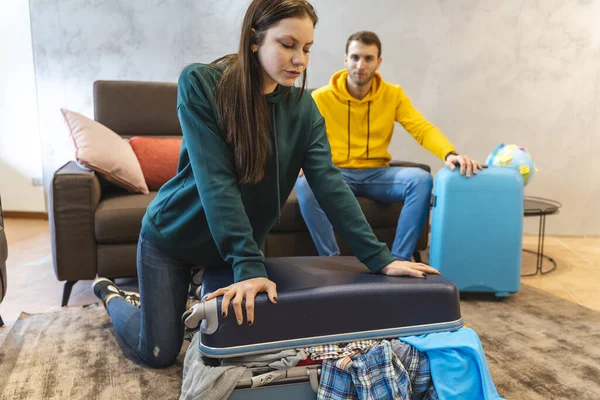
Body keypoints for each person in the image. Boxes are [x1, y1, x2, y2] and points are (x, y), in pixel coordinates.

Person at [92, 1, 439, 369]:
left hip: (233, 247)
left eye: (306, 49)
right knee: (158, 352)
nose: (300, 60)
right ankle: (114, 295)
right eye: (288, 45)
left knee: (247, 341)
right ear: (255, 39)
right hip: (174, 239)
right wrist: (249, 266)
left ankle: (192, 289)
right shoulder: (200, 83)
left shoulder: (304, 109)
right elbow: (217, 182)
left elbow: (330, 186)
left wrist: (380, 258)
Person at [295, 31, 482, 262]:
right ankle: (332, 259)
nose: (360, 65)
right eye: (354, 57)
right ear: (345, 59)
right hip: (336, 173)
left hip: (377, 174)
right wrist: (299, 161)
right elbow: (299, 135)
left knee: (421, 179)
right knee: (305, 185)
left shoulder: (393, 95)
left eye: (368, 58)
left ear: (378, 62)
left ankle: (398, 261)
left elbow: (421, 128)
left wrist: (450, 153)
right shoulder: (321, 98)